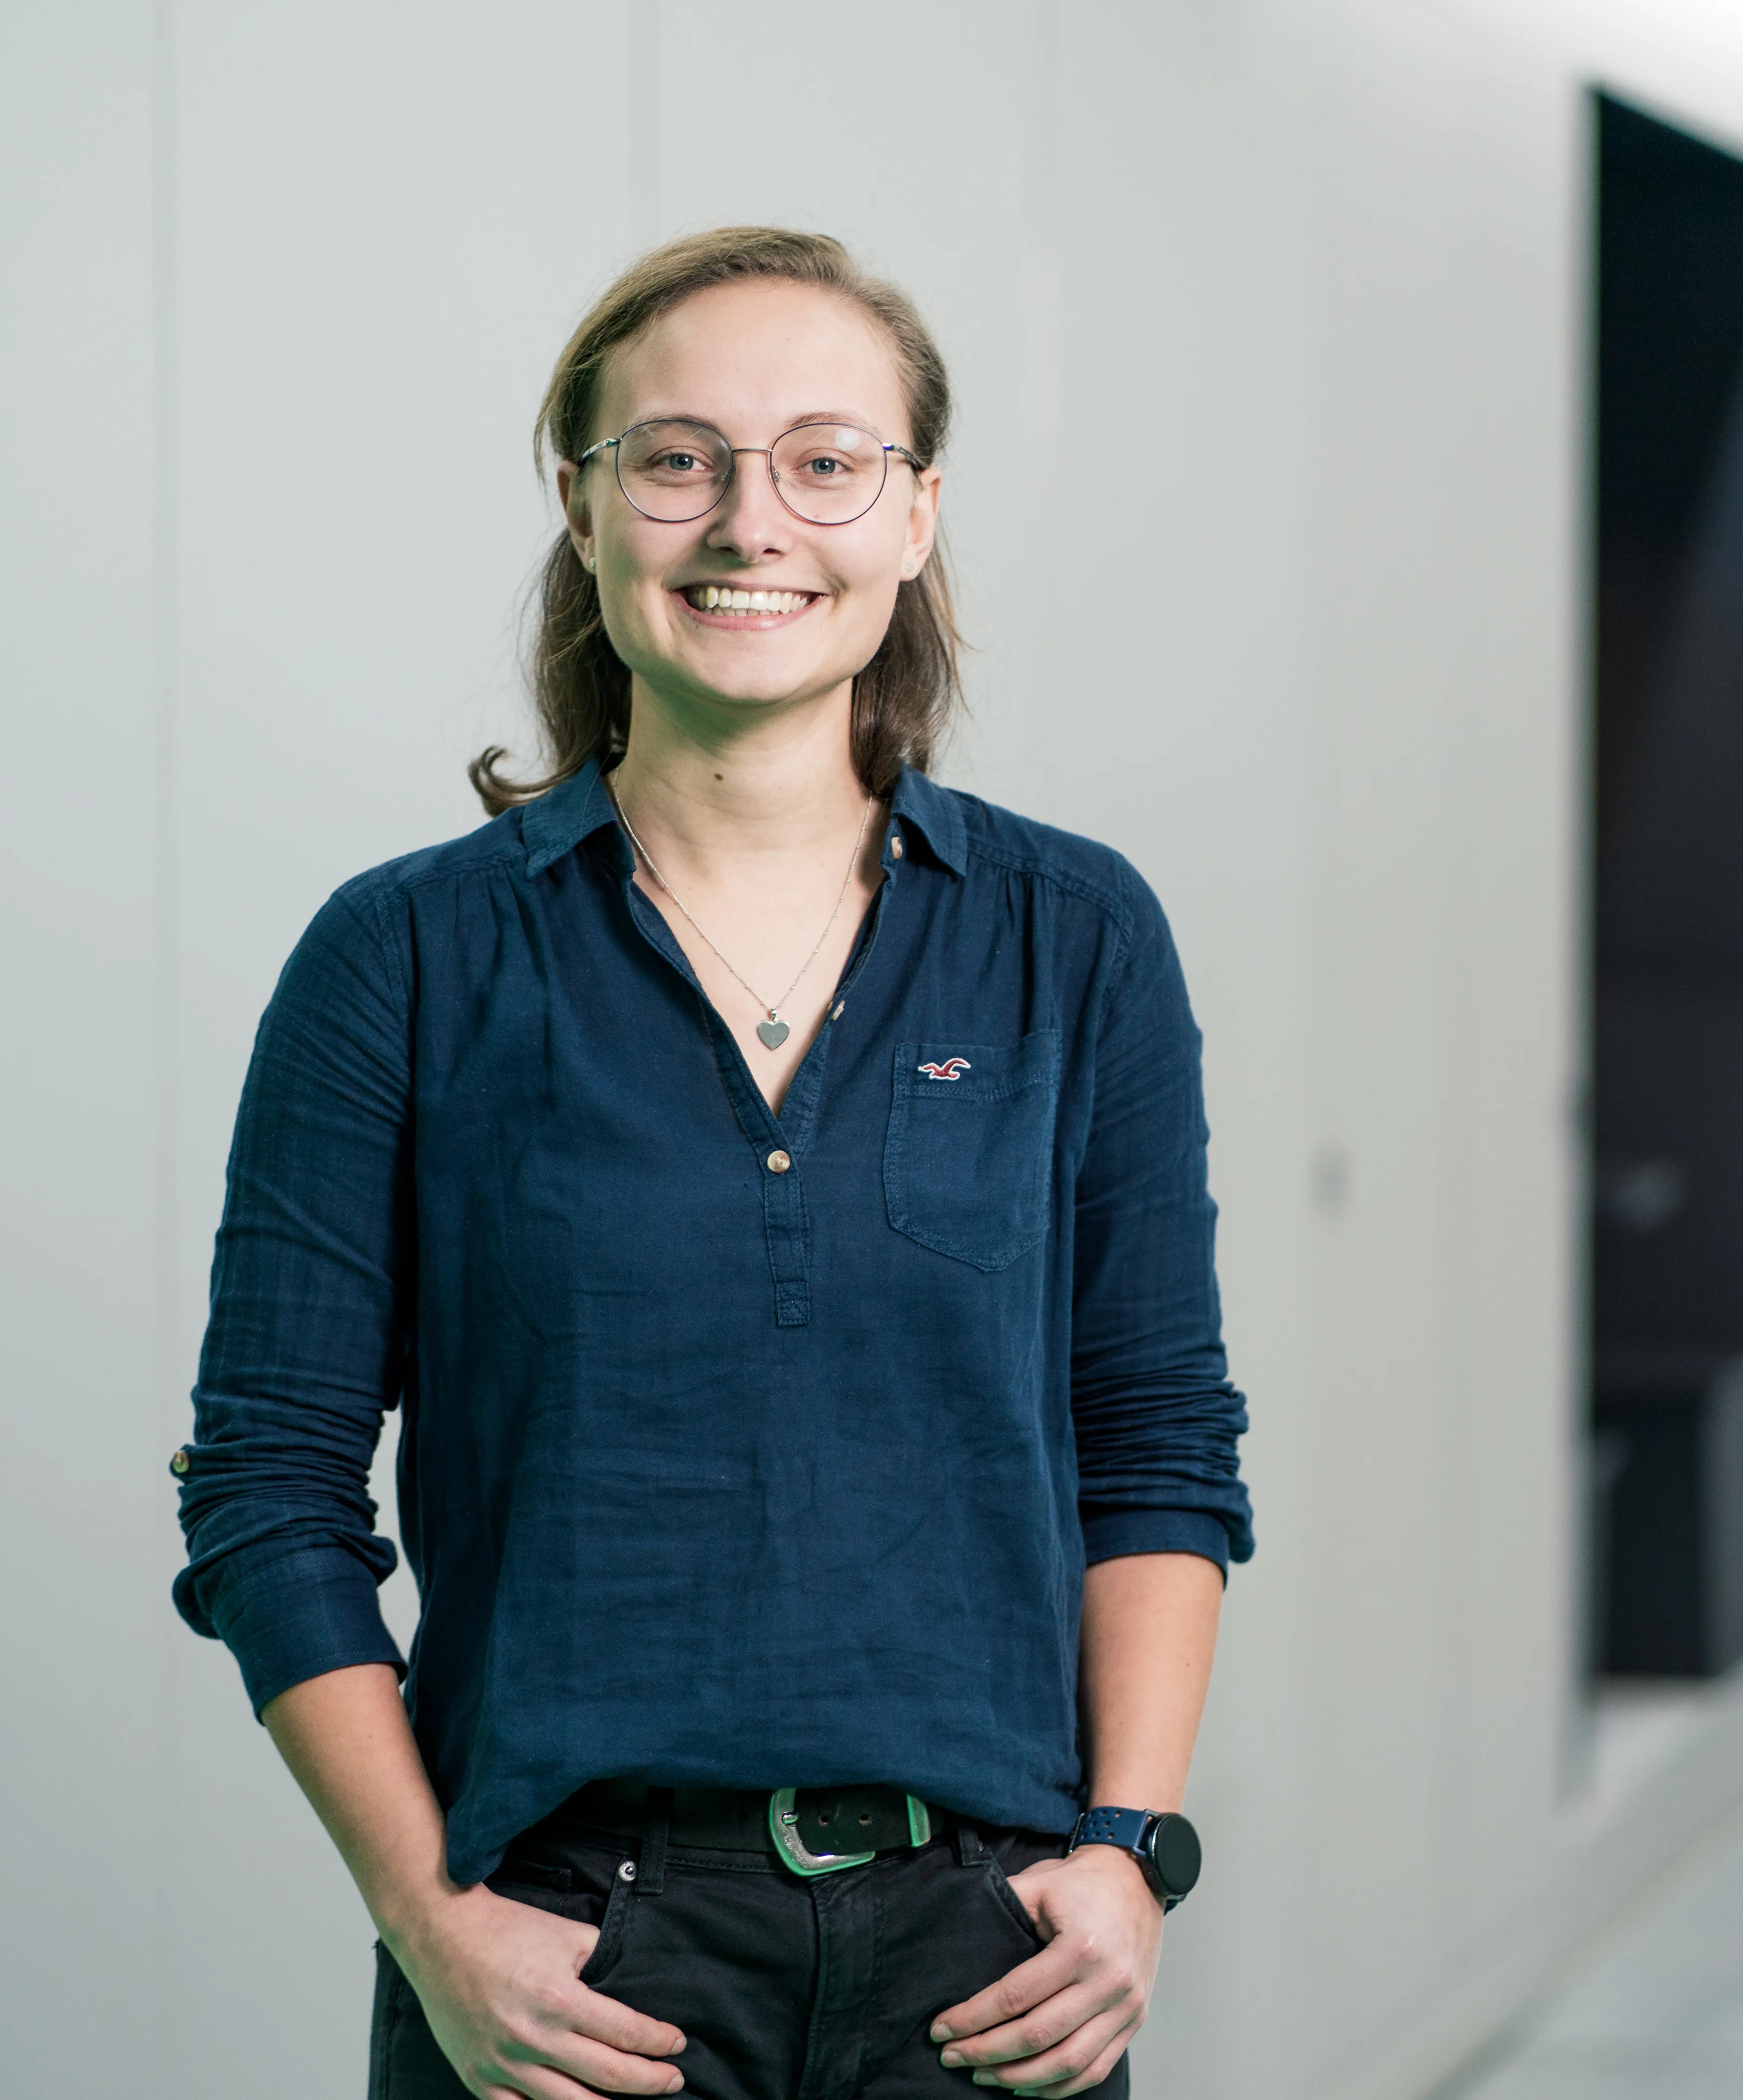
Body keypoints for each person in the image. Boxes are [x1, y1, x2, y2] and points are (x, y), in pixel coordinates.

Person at [170, 226, 1254, 2100]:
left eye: (828, 462)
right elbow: (268, 1489)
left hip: (987, 1963)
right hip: (571, 1968)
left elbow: (1155, 1432)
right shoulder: (408, 959)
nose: (754, 522)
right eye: (676, 460)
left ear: (915, 518)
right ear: (584, 511)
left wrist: (1129, 1859)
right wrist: (432, 1917)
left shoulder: (1074, 937)